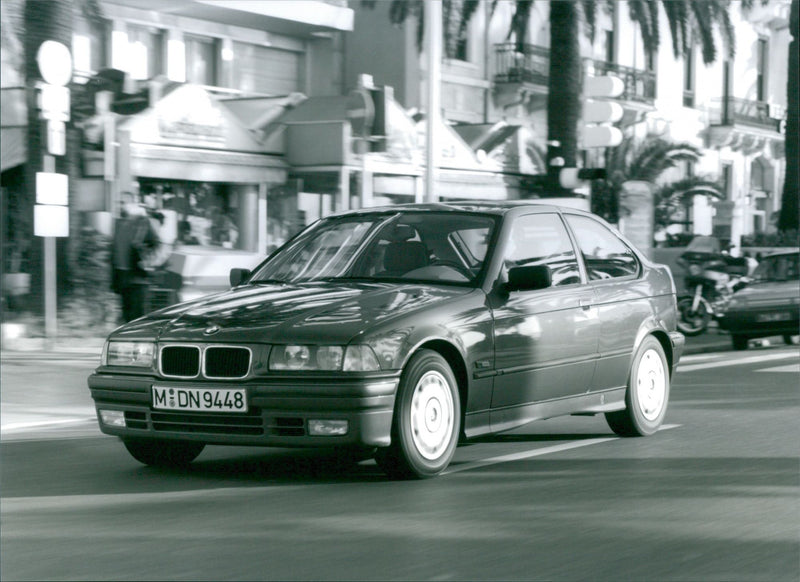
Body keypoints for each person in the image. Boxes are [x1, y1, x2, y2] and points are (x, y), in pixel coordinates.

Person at [110, 196, 161, 322]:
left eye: (123, 202)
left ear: (132, 204)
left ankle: (136, 338)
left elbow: (155, 242)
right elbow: (114, 249)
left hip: (137, 275)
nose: (120, 206)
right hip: (121, 274)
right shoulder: (118, 223)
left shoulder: (142, 222)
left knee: (137, 312)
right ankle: (127, 337)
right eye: (118, 202)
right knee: (125, 310)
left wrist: (146, 258)